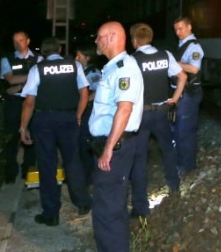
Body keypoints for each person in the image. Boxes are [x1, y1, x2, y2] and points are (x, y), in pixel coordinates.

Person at [19, 37, 92, 226]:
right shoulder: (74, 65)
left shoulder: (37, 69)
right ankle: (83, 203)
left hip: (44, 120)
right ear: (59, 49)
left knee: (47, 165)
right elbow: (85, 92)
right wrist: (78, 114)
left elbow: (29, 102)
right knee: (73, 161)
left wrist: (23, 126)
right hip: (68, 118)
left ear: (43, 52)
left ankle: (51, 213)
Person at [89, 21, 144, 252]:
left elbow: (124, 109)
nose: (96, 41)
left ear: (111, 37)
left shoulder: (124, 68)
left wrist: (109, 148)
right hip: (112, 146)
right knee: (109, 206)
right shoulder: (112, 67)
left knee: (108, 210)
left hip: (116, 149)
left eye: (99, 37)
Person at [128, 23, 186, 218]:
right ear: (151, 38)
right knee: (168, 151)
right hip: (161, 112)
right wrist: (175, 99)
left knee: (139, 159)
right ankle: (175, 188)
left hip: (141, 114)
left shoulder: (132, 60)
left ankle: (140, 208)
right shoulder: (166, 55)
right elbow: (182, 76)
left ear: (135, 41)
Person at [0, 31, 41, 183]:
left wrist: (19, 84)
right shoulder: (7, 59)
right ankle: (10, 173)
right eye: (15, 41)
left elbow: (42, 78)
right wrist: (32, 77)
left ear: (28, 41)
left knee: (32, 139)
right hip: (14, 103)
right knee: (11, 139)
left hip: (34, 102)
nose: (18, 43)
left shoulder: (39, 58)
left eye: (21, 40)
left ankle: (28, 172)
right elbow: (10, 80)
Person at [172, 15, 204, 175]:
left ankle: (187, 165)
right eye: (176, 29)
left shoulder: (194, 47)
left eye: (181, 28)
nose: (178, 32)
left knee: (185, 131)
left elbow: (194, 68)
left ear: (189, 27)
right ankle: (181, 162)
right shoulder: (182, 44)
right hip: (181, 93)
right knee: (178, 129)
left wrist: (174, 64)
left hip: (189, 94)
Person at [75, 45, 103, 186]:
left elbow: (99, 90)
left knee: (86, 144)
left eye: (79, 56)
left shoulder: (92, 72)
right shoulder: (81, 71)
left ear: (87, 58)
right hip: (84, 110)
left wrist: (84, 100)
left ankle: (90, 177)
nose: (76, 59)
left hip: (89, 112)